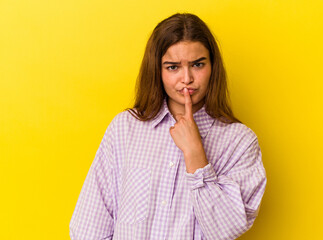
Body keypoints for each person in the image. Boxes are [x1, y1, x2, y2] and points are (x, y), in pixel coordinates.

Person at [70, 13, 266, 240]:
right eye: (173, 67)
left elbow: (226, 229)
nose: (187, 78)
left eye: (198, 64)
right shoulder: (126, 128)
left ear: (213, 67)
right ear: (157, 70)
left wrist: (195, 153)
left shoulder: (240, 142)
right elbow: (89, 226)